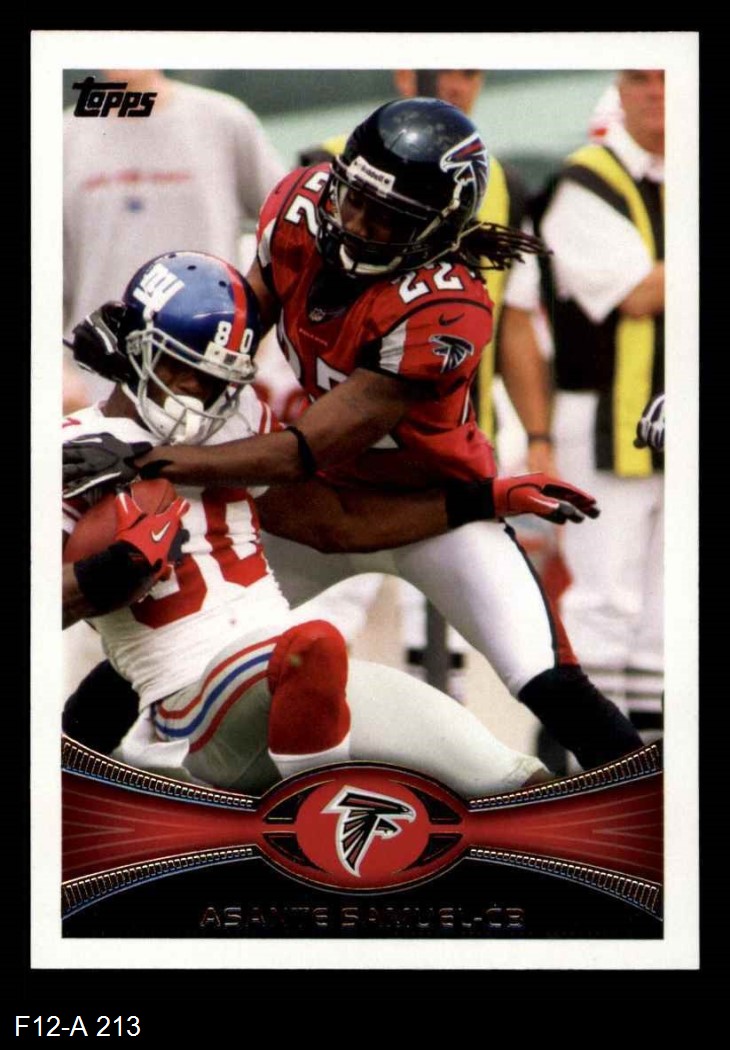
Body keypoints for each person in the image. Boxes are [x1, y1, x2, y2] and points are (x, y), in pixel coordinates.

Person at [66, 99, 644, 772]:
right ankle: (70, 774)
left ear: (436, 229)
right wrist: (134, 358)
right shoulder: (300, 207)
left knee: (547, 677)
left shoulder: (447, 305)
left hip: (429, 510)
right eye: (356, 200)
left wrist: (147, 458)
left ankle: (640, 806)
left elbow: (304, 448)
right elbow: (235, 336)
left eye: (388, 218)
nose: (359, 226)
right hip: (320, 501)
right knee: (178, 625)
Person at [62, 250, 568, 796]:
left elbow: (340, 524)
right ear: (135, 347)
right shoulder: (71, 449)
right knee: (317, 645)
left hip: (285, 668)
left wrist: (484, 499)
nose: (193, 392)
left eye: (211, 379)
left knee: (513, 780)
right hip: (191, 698)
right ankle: (316, 815)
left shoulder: (238, 419)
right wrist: (115, 568)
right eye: (175, 367)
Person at [297, 73, 553, 697]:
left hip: (443, 447)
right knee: (310, 628)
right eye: (438, 69)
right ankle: (302, 738)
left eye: (467, 70)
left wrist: (539, 434)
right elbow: (279, 289)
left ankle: (436, 750)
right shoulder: (322, 164)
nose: (453, 84)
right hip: (332, 442)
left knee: (455, 643)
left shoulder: (502, 185)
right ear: (403, 74)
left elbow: (516, 324)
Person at [530, 70, 665, 733]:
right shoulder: (585, 180)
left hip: (667, 410)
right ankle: (593, 753)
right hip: (605, 414)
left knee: (666, 612)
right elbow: (636, 294)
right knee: (605, 601)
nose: (659, 91)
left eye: (667, 77)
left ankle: (654, 764)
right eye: (641, 78)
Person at [64, 69, 286, 406]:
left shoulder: (224, 120)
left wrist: (258, 321)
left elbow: (288, 228)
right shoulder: (61, 137)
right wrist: (54, 369)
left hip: (210, 374)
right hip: (96, 382)